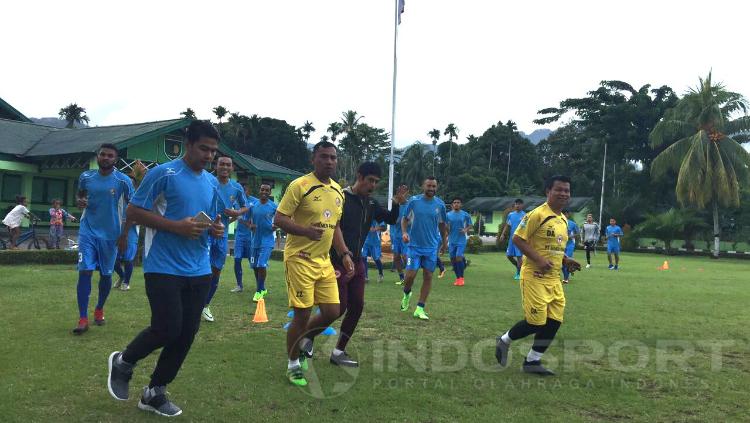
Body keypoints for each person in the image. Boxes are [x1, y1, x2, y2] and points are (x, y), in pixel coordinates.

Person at [106, 120, 225, 417]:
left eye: (213, 151)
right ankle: (123, 361)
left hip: (198, 268)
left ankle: (154, 392)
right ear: (188, 144)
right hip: (163, 265)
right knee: (168, 327)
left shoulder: (211, 182)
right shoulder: (164, 173)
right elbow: (133, 211)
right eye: (203, 149)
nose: (209, 156)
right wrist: (176, 227)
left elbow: (207, 218)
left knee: (186, 334)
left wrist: (215, 229)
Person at [299, 162, 407, 368]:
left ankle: (339, 351)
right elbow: (333, 227)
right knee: (337, 308)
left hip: (358, 262)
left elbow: (391, 219)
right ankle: (307, 337)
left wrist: (396, 202)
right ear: (359, 176)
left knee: (357, 306)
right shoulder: (341, 198)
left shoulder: (371, 204)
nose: (373, 185)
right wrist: (343, 254)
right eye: (370, 180)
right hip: (336, 260)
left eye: (376, 182)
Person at [273, 140, 351, 387]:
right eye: (324, 157)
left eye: (333, 157)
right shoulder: (300, 186)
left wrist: (345, 253)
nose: (329, 161)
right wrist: (305, 231)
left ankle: (304, 340)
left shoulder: (339, 191)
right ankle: (293, 365)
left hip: (324, 261)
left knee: (332, 312)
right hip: (300, 259)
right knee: (302, 313)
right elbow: (279, 218)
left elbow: (335, 227)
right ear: (313, 159)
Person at [495, 175, 580, 376]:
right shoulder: (537, 215)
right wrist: (540, 260)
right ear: (548, 192)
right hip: (534, 276)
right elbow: (518, 239)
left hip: (554, 278)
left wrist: (566, 259)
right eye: (558, 189)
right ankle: (504, 340)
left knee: (555, 320)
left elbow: (554, 247)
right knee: (535, 322)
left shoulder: (563, 219)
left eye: (566, 190)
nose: (563, 194)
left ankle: (533, 361)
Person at [73, 144, 135, 334]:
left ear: (115, 159)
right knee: (85, 271)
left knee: (106, 275)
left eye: (110, 155)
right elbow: (80, 196)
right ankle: (83, 318)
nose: (106, 158)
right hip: (88, 231)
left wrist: (124, 235)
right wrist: (80, 201)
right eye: (103, 155)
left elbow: (132, 210)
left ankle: (99, 308)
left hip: (111, 235)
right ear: (97, 156)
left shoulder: (123, 181)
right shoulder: (86, 176)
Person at [202, 156, 248, 322]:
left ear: (232, 168)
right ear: (216, 165)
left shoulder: (236, 188)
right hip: (204, 233)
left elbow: (245, 206)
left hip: (221, 235)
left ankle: (205, 305)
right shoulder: (206, 181)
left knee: (216, 272)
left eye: (228, 164)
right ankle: (192, 304)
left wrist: (237, 213)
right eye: (222, 164)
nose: (225, 167)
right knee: (201, 270)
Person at [400, 176, 448, 321]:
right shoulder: (414, 202)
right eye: (429, 186)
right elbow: (405, 219)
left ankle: (420, 308)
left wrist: (444, 243)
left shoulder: (440, 205)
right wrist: (404, 232)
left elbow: (442, 225)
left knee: (428, 276)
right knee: (410, 276)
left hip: (431, 247)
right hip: (414, 246)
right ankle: (407, 293)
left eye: (434, 186)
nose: (431, 189)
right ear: (423, 186)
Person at [249, 183, 277, 302]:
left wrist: (276, 225)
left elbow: (282, 219)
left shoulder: (274, 206)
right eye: (262, 189)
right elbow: (245, 220)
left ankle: (259, 291)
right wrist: (250, 225)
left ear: (270, 193)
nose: (264, 192)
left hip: (268, 240)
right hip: (255, 240)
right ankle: (261, 287)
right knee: (255, 266)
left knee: (261, 264)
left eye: (267, 190)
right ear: (259, 191)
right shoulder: (253, 205)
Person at [232, 184, 258, 293]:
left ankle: (259, 285)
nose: (243, 192)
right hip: (239, 235)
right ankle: (239, 285)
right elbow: (235, 215)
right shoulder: (235, 201)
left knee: (253, 262)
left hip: (251, 236)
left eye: (245, 190)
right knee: (237, 259)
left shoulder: (255, 201)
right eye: (241, 190)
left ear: (248, 191)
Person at [446, 197, 472, 286]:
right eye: (455, 202)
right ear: (452, 205)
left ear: (461, 204)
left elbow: (470, 225)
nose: (456, 204)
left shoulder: (465, 214)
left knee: (458, 257)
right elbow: (446, 227)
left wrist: (465, 230)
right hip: (451, 240)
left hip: (461, 240)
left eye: (458, 202)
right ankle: (457, 278)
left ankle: (461, 278)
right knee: (453, 260)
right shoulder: (448, 215)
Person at [498, 199, 526, 280]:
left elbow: (526, 228)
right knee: (509, 256)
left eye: (519, 204)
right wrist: (503, 234)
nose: (517, 205)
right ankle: (519, 267)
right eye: (516, 204)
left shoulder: (525, 215)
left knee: (519, 256)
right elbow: (507, 225)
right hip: (511, 239)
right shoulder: (511, 214)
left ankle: (518, 273)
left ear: (522, 205)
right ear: (514, 205)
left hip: (520, 239)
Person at [113, 223, 139, 291]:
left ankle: (126, 283)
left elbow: (140, 221)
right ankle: (122, 276)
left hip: (131, 237)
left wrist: (127, 220)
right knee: (114, 260)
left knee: (128, 260)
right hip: (117, 236)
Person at [390, 205, 408, 285]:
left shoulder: (409, 205)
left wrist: (405, 221)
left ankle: (409, 276)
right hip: (396, 236)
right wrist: (394, 220)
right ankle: (402, 278)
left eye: (403, 191)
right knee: (396, 257)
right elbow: (391, 219)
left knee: (405, 256)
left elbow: (413, 220)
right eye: (399, 191)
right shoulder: (395, 207)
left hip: (406, 236)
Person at [561, 210, 579, 284]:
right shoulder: (558, 222)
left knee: (567, 261)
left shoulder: (572, 224)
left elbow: (578, 233)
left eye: (566, 214)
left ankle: (566, 278)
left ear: (568, 214)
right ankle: (566, 276)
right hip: (561, 244)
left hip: (570, 245)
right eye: (563, 214)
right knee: (561, 262)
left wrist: (571, 236)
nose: (565, 215)